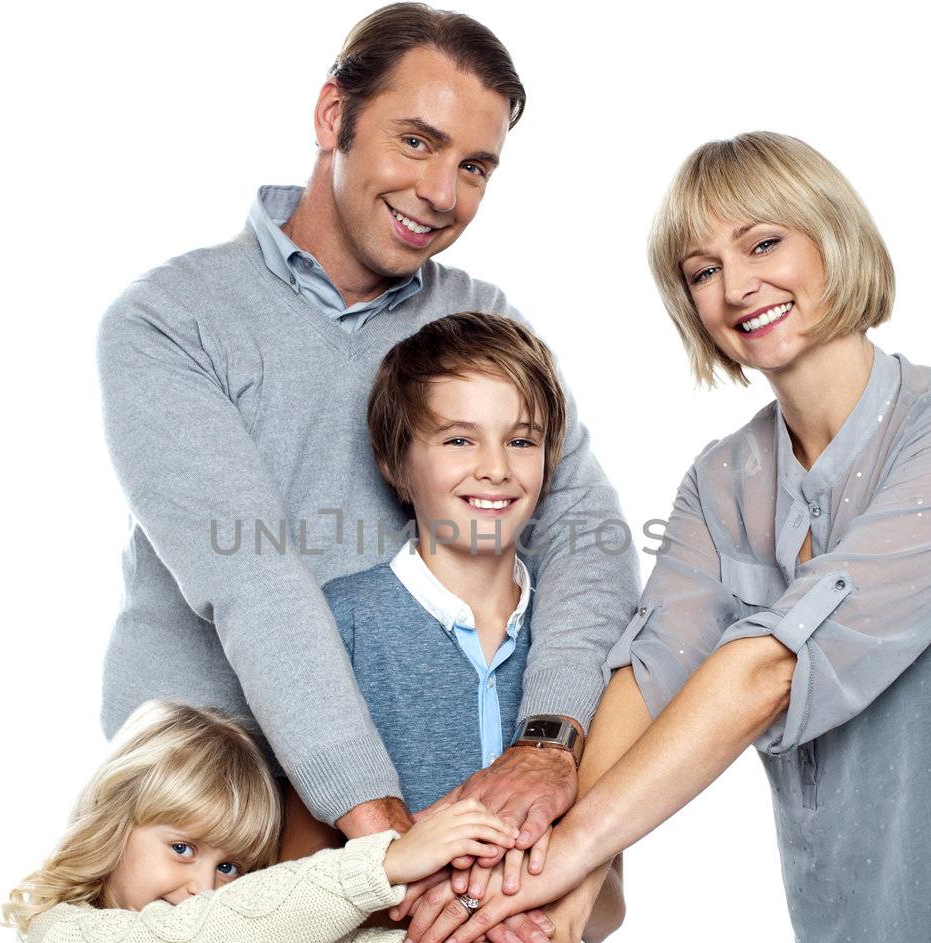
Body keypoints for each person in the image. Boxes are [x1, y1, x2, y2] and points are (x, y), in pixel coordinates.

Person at [423, 133, 931, 943]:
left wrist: (564, 857)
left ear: (832, 238)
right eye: (702, 269)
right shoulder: (721, 481)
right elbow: (647, 677)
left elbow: (768, 666)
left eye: (764, 244)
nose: (736, 287)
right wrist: (563, 902)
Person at [95, 0, 635, 879]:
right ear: (331, 116)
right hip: (200, 817)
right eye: (416, 142)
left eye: (476, 167)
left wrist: (547, 742)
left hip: (429, 809)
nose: (441, 193)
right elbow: (252, 577)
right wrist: (376, 831)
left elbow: (588, 541)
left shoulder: (482, 321)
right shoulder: (170, 321)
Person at [274, 312, 629, 943]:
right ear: (394, 463)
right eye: (458, 438)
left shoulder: (579, 662)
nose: (495, 467)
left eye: (521, 439)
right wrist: (458, 934)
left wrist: (521, 906)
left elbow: (604, 913)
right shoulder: (335, 628)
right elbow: (286, 893)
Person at [2, 699, 528, 943]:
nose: (203, 887)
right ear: (112, 823)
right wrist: (382, 864)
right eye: (182, 848)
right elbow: (207, 939)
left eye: (229, 868)